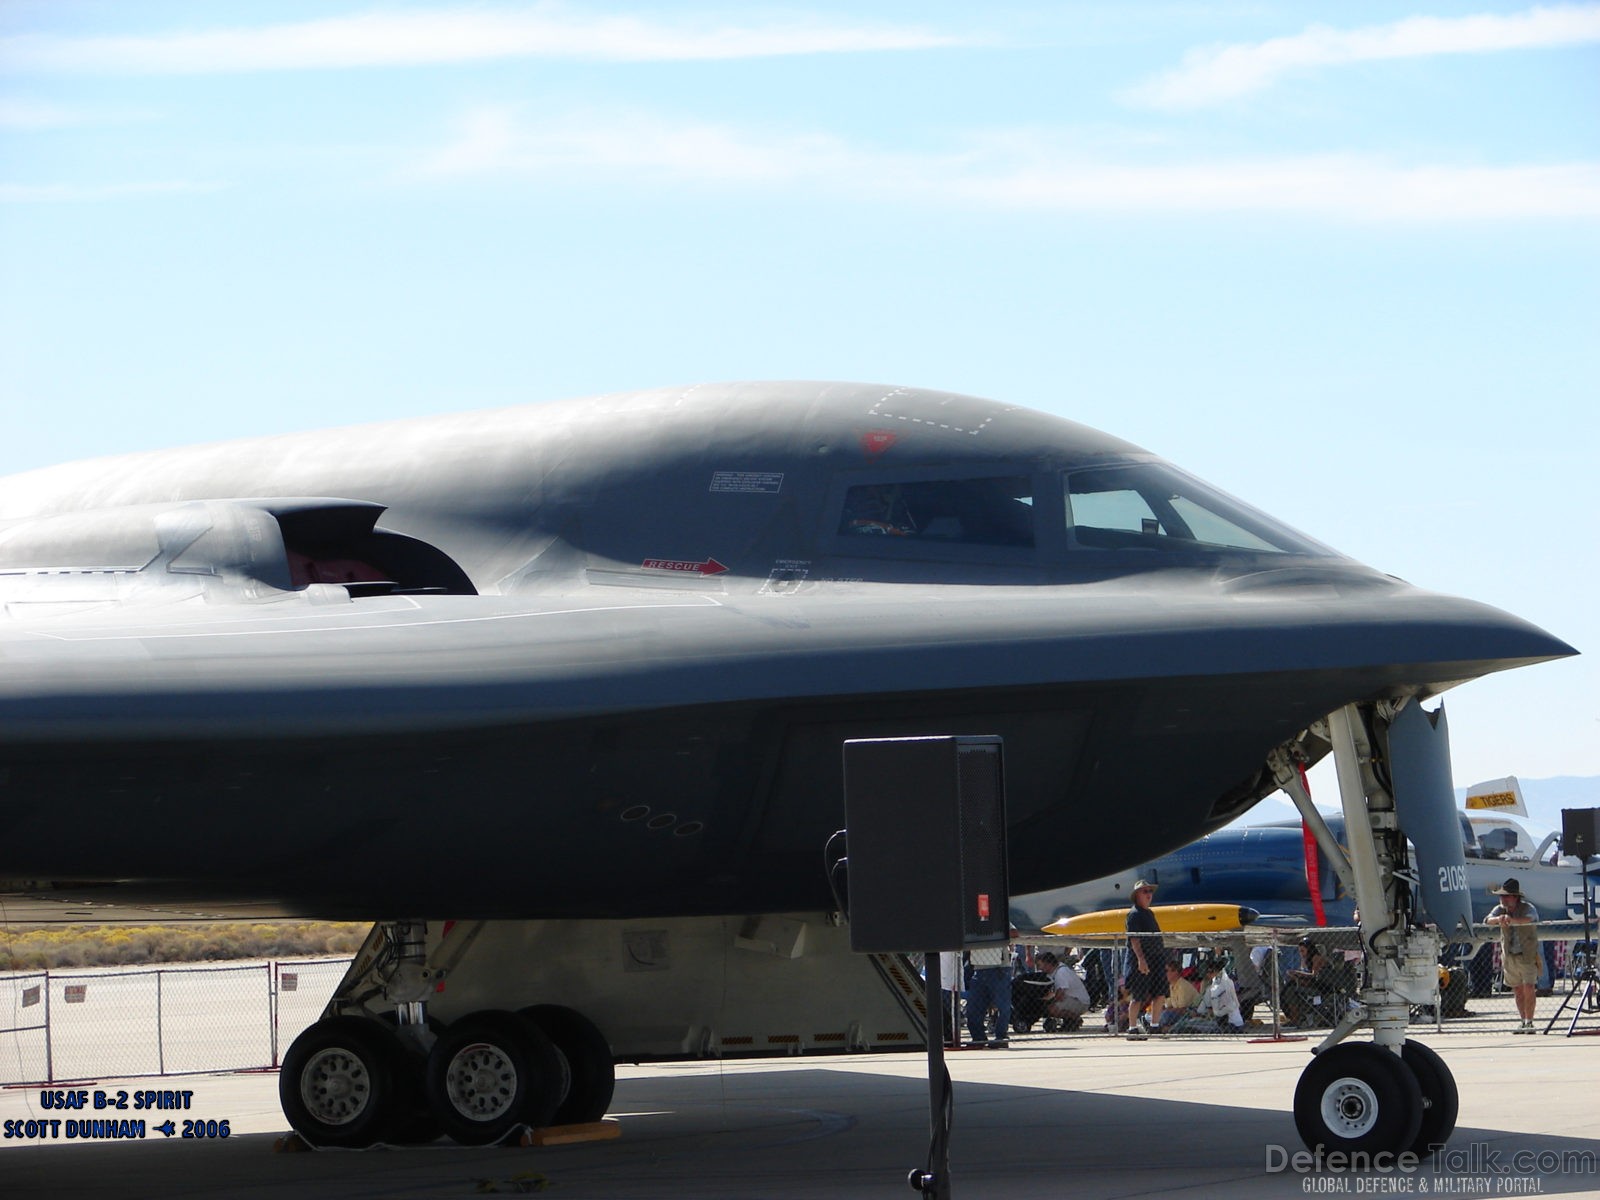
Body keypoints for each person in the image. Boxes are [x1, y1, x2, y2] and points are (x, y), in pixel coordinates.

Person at [1485, 877, 1541, 1033]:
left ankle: (1530, 1022)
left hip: (1527, 955)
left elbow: (1531, 919)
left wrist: (1513, 920)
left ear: (1515, 897)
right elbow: (1487, 920)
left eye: (1505, 895)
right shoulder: (1499, 909)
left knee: (1529, 987)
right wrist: (1499, 919)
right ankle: (1523, 1021)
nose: (1502, 898)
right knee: (1517, 989)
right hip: (1509, 956)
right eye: (1501, 896)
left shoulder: (1527, 908)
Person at [1124, 879, 1168, 1038]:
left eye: (1150, 891)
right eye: (1145, 891)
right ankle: (1132, 1028)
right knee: (1138, 996)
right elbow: (1134, 939)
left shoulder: (1149, 913)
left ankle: (1154, 1026)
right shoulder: (1134, 914)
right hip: (1142, 959)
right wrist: (1141, 959)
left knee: (1160, 992)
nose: (1149, 894)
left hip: (1156, 958)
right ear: (1137, 895)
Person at [966, 941, 1014, 1048]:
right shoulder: (971, 925)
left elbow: (1013, 933)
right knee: (974, 1007)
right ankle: (978, 1038)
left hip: (999, 968)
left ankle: (1001, 1037)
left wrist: (997, 937)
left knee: (1003, 1006)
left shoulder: (999, 924)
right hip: (978, 968)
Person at [1037, 951, 1091, 1029]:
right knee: (1049, 1005)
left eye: (1040, 965)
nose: (1039, 968)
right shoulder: (1054, 970)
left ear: (1048, 964)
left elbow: (1060, 995)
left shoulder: (1061, 972)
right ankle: (1069, 1021)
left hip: (1081, 1002)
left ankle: (1075, 1018)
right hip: (1071, 998)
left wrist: (1046, 1002)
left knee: (1051, 1008)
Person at [1197, 959, 1246, 1032]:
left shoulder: (1220, 985)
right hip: (1234, 1022)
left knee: (1197, 1025)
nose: (1208, 975)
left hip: (1230, 1024)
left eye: (1209, 972)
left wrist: (1204, 1013)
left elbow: (1219, 1011)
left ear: (1215, 971)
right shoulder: (1225, 981)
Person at [1159, 961, 1200, 1028]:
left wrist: (1166, 1010)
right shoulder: (1172, 985)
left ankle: (1163, 1027)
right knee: (1154, 1013)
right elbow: (1169, 1004)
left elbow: (1182, 1009)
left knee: (1165, 1015)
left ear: (1176, 972)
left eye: (1166, 971)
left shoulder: (1182, 985)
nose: (1164, 973)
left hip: (1192, 1012)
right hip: (1179, 1013)